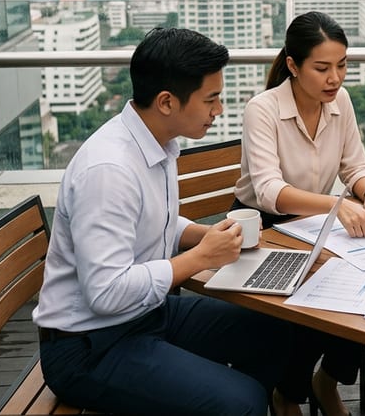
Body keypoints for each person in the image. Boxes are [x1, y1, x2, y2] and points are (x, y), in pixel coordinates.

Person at [32, 27, 296, 415]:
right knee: (241, 403)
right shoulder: (109, 170)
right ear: (167, 101)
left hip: (144, 316)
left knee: (276, 328)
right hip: (88, 347)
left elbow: (155, 222)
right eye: (211, 99)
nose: (218, 110)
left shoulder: (157, 143)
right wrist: (202, 257)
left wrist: (205, 235)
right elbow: (105, 293)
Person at [233, 11, 365, 416]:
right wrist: (338, 207)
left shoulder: (339, 101)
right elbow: (268, 191)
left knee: (364, 283)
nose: (335, 78)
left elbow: (355, 165)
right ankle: (288, 394)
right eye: (322, 68)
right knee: (307, 302)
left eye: (342, 66)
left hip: (315, 225)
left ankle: (328, 380)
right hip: (263, 228)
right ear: (293, 65)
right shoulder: (262, 109)